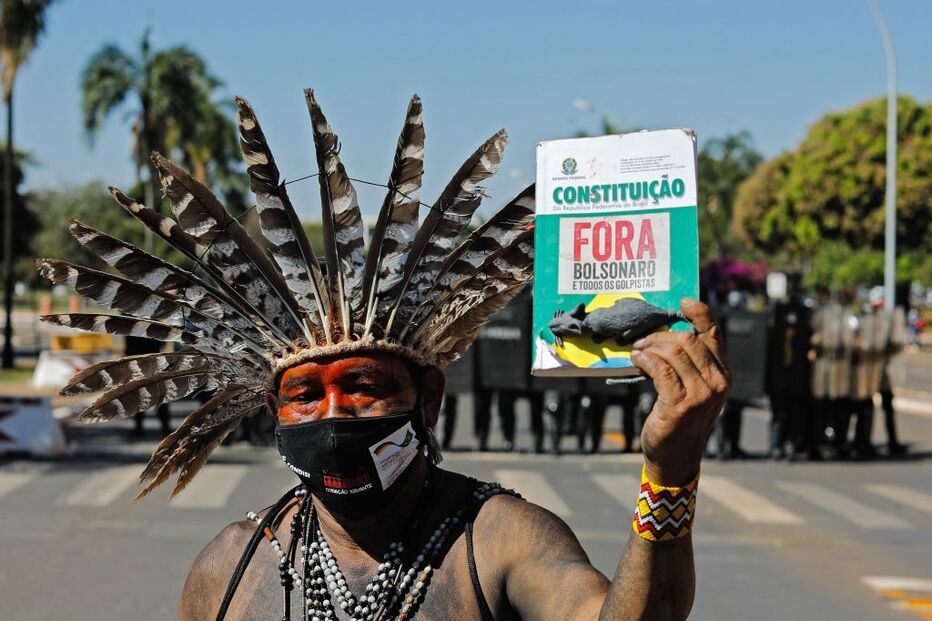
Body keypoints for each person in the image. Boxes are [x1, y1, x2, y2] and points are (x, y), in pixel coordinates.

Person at [43, 91, 729, 621]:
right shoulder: (231, 568)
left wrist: (670, 472)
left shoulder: (497, 539)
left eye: (365, 386)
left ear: (427, 397)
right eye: (305, 395)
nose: (334, 414)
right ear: (274, 410)